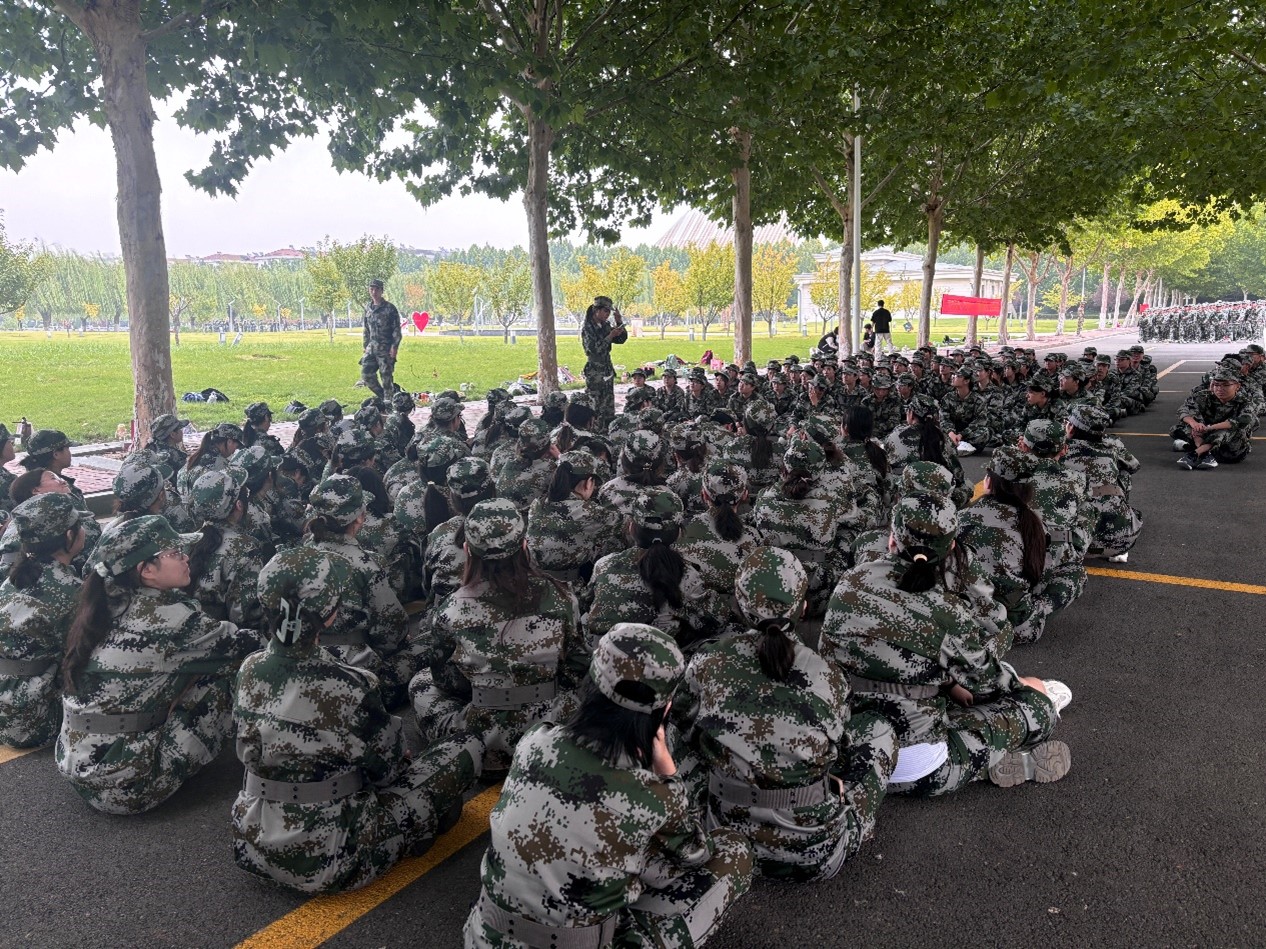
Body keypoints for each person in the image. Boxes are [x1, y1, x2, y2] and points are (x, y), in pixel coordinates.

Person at [463, 623, 754, 948]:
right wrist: (670, 776)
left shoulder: (535, 741)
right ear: (666, 708)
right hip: (579, 943)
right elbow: (697, 854)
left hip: (483, 937)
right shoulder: (652, 793)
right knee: (733, 850)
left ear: (591, 683)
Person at [231, 546, 482, 894]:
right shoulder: (351, 684)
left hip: (252, 842)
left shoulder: (249, 669)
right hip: (333, 856)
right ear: (329, 614)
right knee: (465, 747)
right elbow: (389, 771)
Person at [820, 495, 1072, 796]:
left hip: (841, 751)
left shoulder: (849, 582)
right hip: (915, 766)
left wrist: (948, 684)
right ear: (952, 546)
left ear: (892, 540)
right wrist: (1026, 686)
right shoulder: (948, 611)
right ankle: (985, 762)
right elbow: (989, 683)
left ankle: (980, 756)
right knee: (1037, 706)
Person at [682, 548, 896, 881]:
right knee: (879, 729)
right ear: (804, 607)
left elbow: (685, 727)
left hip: (723, 841)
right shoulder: (828, 676)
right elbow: (838, 749)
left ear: (739, 605)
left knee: (679, 733)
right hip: (815, 856)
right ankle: (847, 818)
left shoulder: (707, 661)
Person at [56, 515, 263, 814]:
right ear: (147, 570)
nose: (186, 557)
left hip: (81, 766)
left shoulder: (107, 600)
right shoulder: (170, 620)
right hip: (130, 785)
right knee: (235, 672)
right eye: (175, 553)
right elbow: (250, 646)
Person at [412, 499, 588, 773]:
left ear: (467, 550)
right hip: (551, 732)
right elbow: (577, 666)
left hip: (485, 742)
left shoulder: (450, 609)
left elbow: (447, 682)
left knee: (421, 683)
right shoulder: (562, 596)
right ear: (524, 546)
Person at [304, 475, 411, 708]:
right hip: (355, 673)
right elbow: (393, 630)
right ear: (360, 517)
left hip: (304, 664)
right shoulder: (366, 565)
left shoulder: (297, 556)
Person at [0, 494, 85, 748]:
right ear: (69, 536)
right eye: (79, 526)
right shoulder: (71, 590)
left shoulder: (13, 580)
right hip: (33, 720)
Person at [1172, 368, 1255, 469]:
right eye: (1216, 384)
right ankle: (1205, 455)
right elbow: (1183, 410)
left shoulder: (1245, 401)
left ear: (1237, 386)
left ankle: (1193, 454)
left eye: (1225, 385)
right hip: (1206, 437)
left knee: (1230, 429)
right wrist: (1195, 424)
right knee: (1181, 427)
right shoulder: (1203, 396)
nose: (1220, 389)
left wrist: (1209, 428)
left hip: (1231, 449)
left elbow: (1242, 421)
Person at [580, 295, 627, 429]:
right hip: (595, 371)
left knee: (608, 404)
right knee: (595, 404)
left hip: (606, 369)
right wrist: (610, 336)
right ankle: (594, 430)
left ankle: (607, 429)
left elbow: (621, 339)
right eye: (606, 311)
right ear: (597, 310)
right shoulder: (588, 328)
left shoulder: (605, 325)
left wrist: (619, 322)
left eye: (609, 312)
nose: (608, 315)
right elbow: (593, 350)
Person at [362, 278, 403, 399]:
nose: (374, 292)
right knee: (366, 375)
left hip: (386, 349)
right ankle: (383, 397)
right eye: (371, 289)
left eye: (377, 289)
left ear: (381, 291)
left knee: (386, 379)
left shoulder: (390, 308)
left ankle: (389, 402)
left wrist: (394, 347)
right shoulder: (368, 308)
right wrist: (365, 345)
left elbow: (396, 329)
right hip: (371, 348)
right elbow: (366, 329)